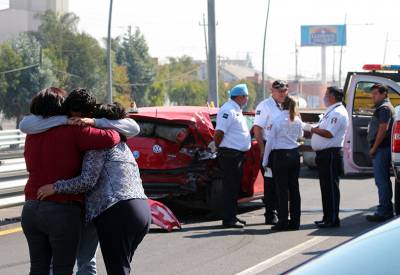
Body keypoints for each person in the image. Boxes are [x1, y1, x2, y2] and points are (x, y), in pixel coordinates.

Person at [19, 88, 141, 275]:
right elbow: (112, 137)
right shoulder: (75, 131)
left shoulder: (32, 133)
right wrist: (96, 124)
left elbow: (25, 123)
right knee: (63, 268)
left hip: (30, 208)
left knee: (38, 268)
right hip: (61, 209)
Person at [303, 86, 349, 228]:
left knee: (331, 188)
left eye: (326, 94)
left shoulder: (337, 113)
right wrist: (311, 127)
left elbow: (329, 133)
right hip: (324, 155)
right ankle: (327, 217)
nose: (324, 97)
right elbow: (321, 127)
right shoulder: (331, 112)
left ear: (332, 97)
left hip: (330, 154)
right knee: (325, 187)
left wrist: (311, 129)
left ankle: (333, 219)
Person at [263, 96, 303, 231]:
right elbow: (300, 135)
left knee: (281, 190)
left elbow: (269, 142)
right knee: (294, 189)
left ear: (281, 106)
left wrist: (265, 160)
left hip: (281, 156)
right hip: (294, 155)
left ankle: (283, 221)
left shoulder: (277, 119)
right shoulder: (297, 120)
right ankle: (295, 221)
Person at [214, 84, 251, 228]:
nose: (247, 99)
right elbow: (219, 132)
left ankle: (233, 215)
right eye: (246, 96)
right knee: (230, 187)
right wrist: (216, 146)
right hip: (230, 154)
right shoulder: (228, 110)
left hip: (237, 155)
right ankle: (228, 219)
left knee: (234, 187)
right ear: (240, 97)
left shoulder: (236, 109)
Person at [254, 80, 288, 225]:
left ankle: (282, 212)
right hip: (270, 147)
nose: (282, 93)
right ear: (272, 91)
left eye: (284, 90)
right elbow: (257, 129)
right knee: (270, 182)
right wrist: (262, 149)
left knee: (282, 183)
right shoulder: (264, 106)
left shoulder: (286, 105)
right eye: (279, 90)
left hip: (283, 147)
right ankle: (270, 213)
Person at [366, 84, 395, 222]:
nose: (373, 96)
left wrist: (374, 148)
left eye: (376, 93)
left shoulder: (384, 108)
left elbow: (383, 128)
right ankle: (386, 208)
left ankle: (384, 210)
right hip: (383, 148)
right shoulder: (384, 107)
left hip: (382, 149)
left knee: (381, 180)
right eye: (373, 94)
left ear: (384, 94)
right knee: (382, 180)